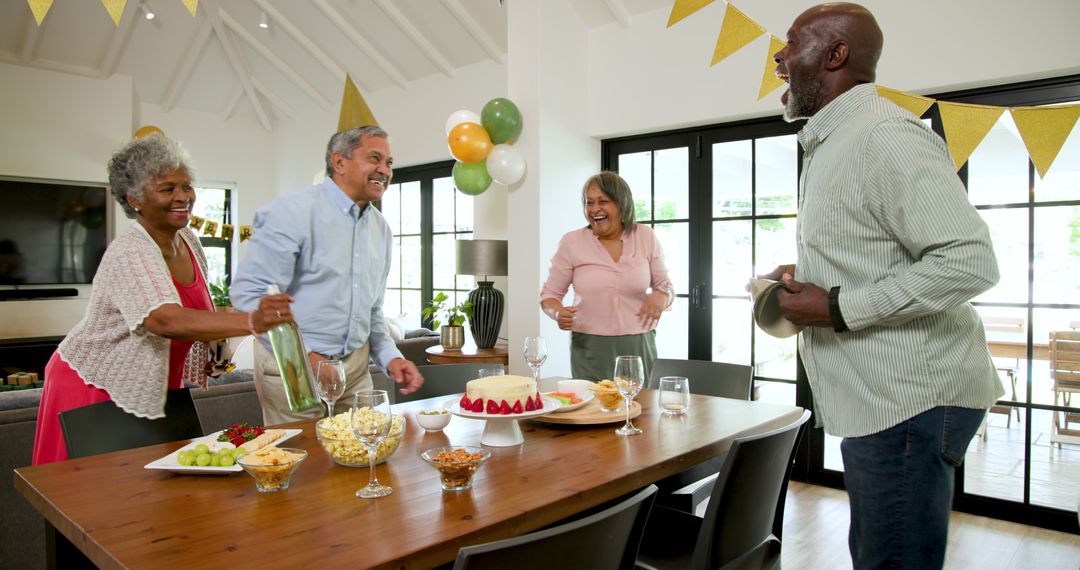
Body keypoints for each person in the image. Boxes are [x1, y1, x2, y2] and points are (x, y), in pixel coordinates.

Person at [763, 4, 1003, 568]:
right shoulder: (835, 145)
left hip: (907, 404)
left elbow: (970, 261)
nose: (778, 55)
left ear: (835, 54)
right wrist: (811, 283)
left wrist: (840, 306)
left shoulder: (884, 136)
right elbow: (871, 255)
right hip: (885, 404)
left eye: (792, 43)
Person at [31, 134, 293, 465]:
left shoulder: (188, 240)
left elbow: (196, 310)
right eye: (168, 189)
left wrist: (213, 349)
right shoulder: (129, 251)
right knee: (101, 501)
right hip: (94, 388)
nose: (183, 197)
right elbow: (164, 319)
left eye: (187, 186)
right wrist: (252, 321)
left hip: (159, 389)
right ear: (134, 199)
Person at [231, 125, 423, 425]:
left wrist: (391, 357)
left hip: (356, 371)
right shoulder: (292, 211)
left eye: (389, 163)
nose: (384, 170)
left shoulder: (381, 229)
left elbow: (371, 310)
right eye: (374, 158)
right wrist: (307, 356)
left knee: (363, 454)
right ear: (339, 162)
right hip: (293, 367)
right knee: (303, 464)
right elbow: (248, 294)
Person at [539, 171, 674, 381]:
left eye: (603, 201)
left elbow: (666, 286)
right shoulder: (572, 242)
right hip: (590, 347)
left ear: (622, 204)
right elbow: (549, 295)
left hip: (638, 344)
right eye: (589, 202)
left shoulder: (645, 236)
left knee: (639, 408)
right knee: (593, 408)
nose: (594, 209)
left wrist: (661, 296)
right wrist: (557, 313)